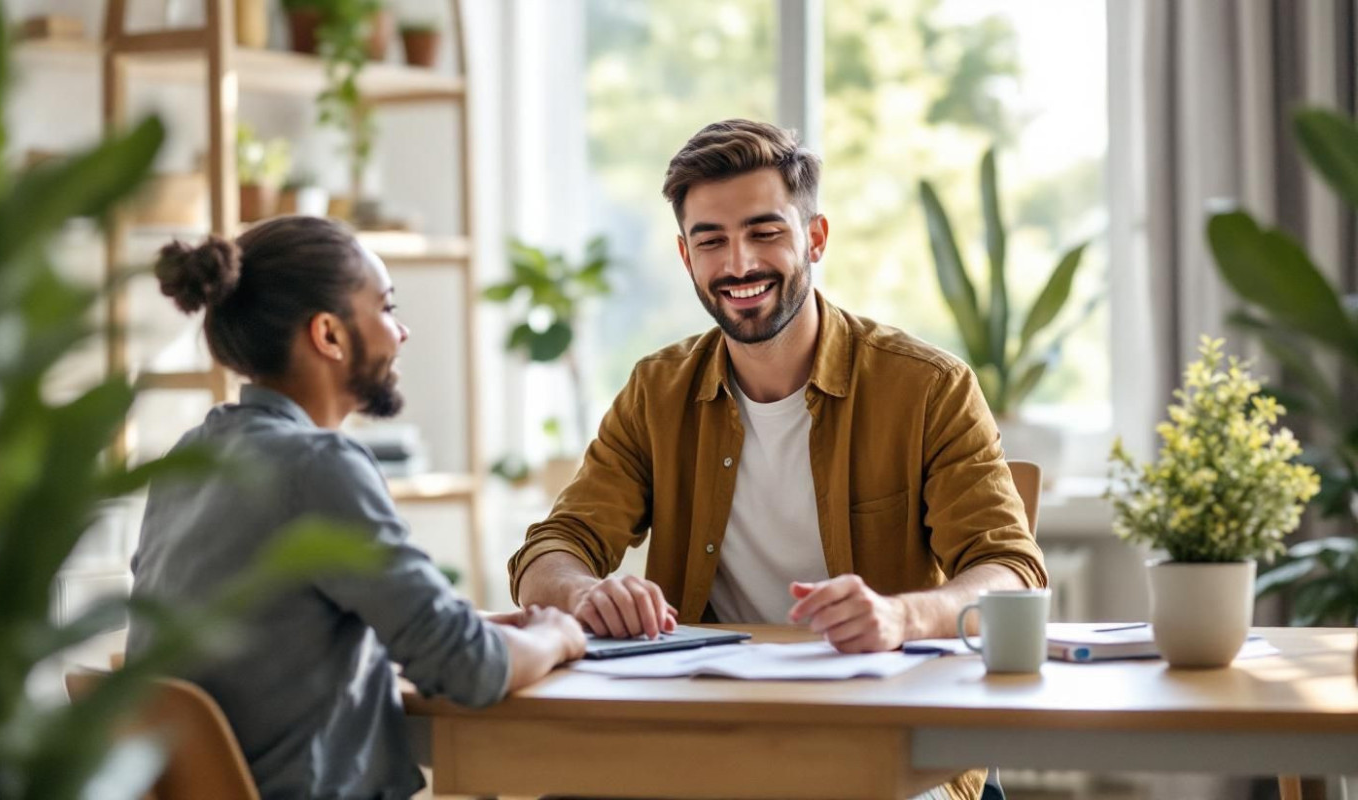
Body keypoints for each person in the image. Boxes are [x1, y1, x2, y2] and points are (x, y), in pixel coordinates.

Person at [507, 120, 1046, 800]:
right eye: (712, 241)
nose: (738, 265)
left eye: (765, 233)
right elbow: (551, 549)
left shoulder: (928, 388)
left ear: (814, 238)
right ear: (685, 257)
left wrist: (902, 617)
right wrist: (585, 591)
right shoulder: (656, 391)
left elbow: (1013, 572)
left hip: (883, 741)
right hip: (695, 739)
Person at [127, 216, 586, 800]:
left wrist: (475, 623)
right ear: (329, 335)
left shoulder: (193, 456)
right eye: (387, 308)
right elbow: (468, 668)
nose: (402, 333)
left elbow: (286, 630)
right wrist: (558, 634)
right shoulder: (319, 465)